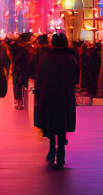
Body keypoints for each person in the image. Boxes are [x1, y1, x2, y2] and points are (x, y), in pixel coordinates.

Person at [33, 32, 80, 169]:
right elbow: (75, 76)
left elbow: (39, 75)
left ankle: (52, 149)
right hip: (65, 94)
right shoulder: (70, 57)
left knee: (51, 122)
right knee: (62, 122)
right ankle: (61, 153)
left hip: (49, 94)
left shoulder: (47, 57)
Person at [10, 33, 31, 109]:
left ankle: (18, 102)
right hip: (21, 69)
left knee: (17, 86)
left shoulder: (15, 47)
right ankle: (22, 102)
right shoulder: (22, 48)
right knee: (22, 86)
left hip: (17, 69)